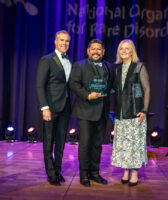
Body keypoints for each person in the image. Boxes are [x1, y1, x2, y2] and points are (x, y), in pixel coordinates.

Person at [69, 39, 114, 187]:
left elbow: (112, 86)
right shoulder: (79, 65)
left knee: (97, 144)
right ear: (88, 51)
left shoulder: (109, 67)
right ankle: (84, 175)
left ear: (103, 52)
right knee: (85, 143)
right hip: (85, 110)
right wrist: (88, 95)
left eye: (99, 49)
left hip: (102, 111)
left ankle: (94, 173)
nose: (96, 51)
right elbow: (73, 84)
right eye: (93, 49)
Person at [112, 39, 150, 187]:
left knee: (134, 144)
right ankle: (125, 171)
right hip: (121, 113)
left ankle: (134, 172)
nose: (124, 51)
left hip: (135, 112)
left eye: (127, 49)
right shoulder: (117, 68)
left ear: (132, 51)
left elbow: (146, 89)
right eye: (121, 49)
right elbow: (115, 89)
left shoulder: (139, 67)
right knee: (123, 144)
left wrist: (145, 110)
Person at [36, 30, 71, 186]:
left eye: (67, 41)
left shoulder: (69, 61)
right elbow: (40, 85)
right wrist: (45, 107)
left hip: (65, 108)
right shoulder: (47, 60)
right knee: (49, 141)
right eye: (62, 40)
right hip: (51, 107)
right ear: (55, 42)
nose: (64, 43)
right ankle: (51, 174)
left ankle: (57, 171)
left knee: (61, 142)